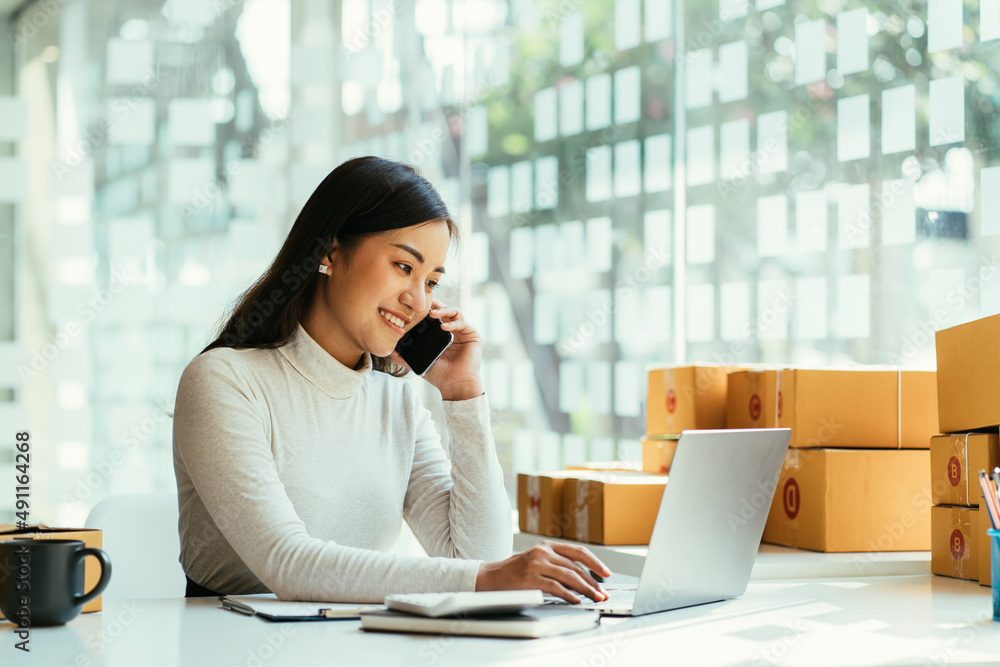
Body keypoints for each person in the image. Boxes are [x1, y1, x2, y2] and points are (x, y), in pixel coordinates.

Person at [171, 156, 611, 604]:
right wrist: (482, 578)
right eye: (404, 267)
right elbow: (288, 564)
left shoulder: (395, 403)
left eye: (432, 282)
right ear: (329, 250)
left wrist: (463, 396)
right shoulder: (223, 380)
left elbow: (479, 554)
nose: (417, 300)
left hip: (357, 644)